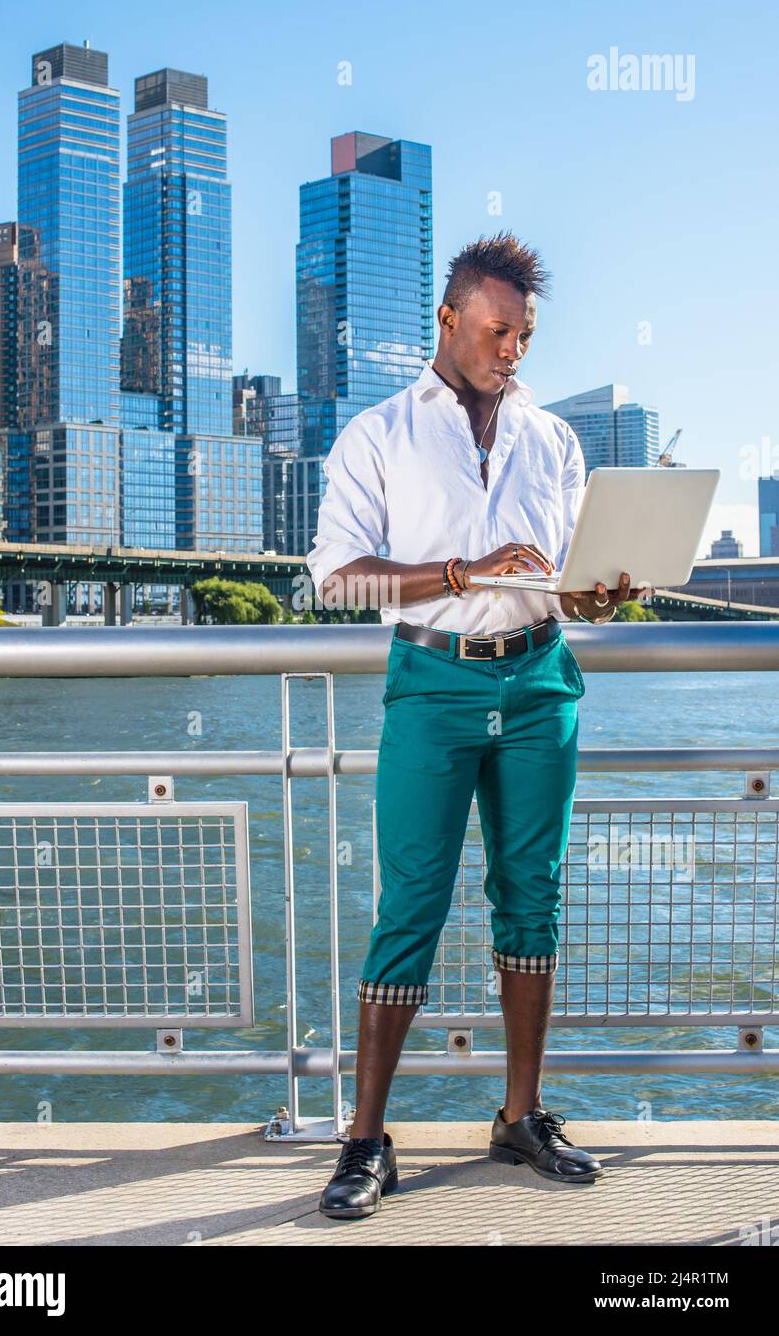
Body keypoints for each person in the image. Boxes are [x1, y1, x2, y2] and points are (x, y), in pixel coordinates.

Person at [305, 232, 642, 1220]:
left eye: (525, 335)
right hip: (434, 683)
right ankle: (365, 1139)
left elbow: (567, 585)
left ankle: (521, 1116)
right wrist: (460, 571)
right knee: (409, 900)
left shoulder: (554, 440)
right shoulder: (379, 433)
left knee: (530, 898)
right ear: (448, 319)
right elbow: (336, 579)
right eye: (498, 331)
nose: (512, 351)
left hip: (539, 682)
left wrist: (601, 593)